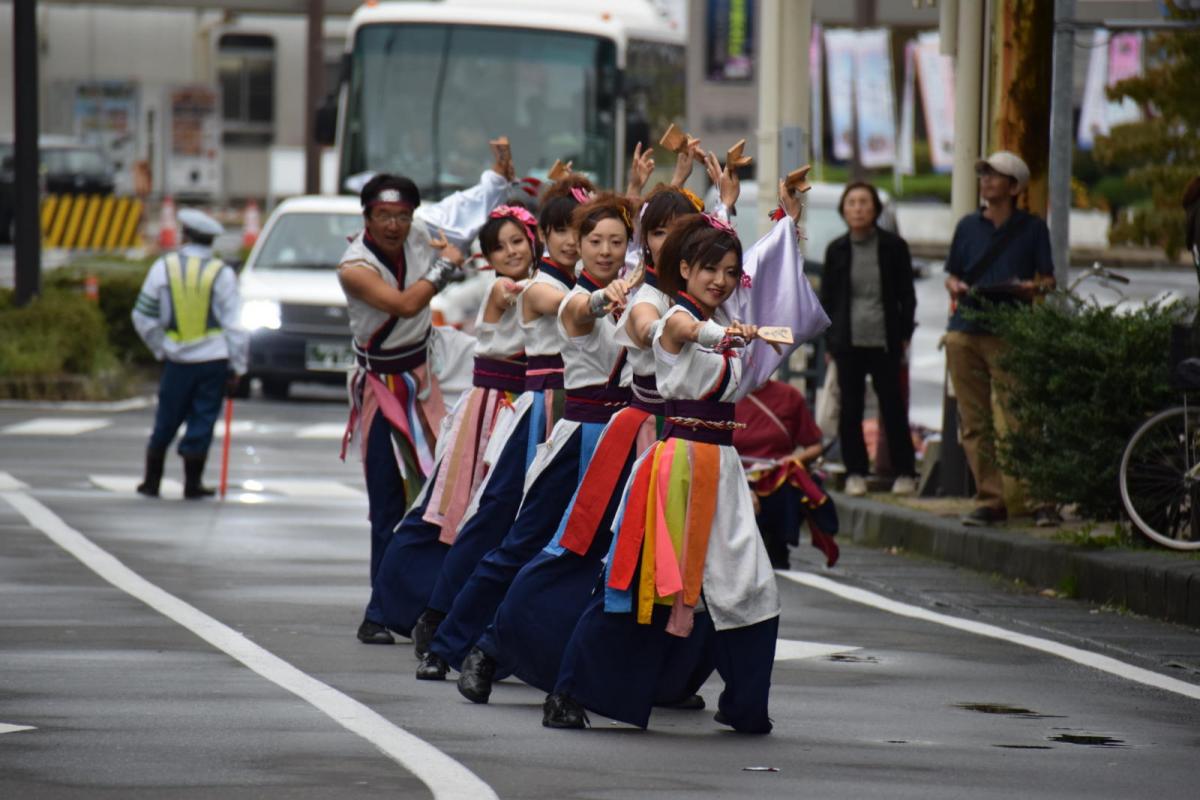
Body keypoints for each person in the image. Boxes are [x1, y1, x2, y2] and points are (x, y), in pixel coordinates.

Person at [546, 202, 829, 735]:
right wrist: (717, 336)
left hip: (721, 465)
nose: (721, 281)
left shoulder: (726, 313)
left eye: (728, 272)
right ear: (684, 270)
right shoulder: (662, 310)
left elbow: (773, 291)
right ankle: (569, 689)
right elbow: (671, 331)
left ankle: (745, 707)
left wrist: (788, 227)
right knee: (637, 581)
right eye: (709, 271)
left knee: (748, 584)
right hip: (676, 465)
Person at [418, 192, 639, 683]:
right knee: (509, 530)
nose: (603, 249)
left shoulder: (636, 290)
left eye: (616, 241)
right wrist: (611, 296)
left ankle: (569, 665)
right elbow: (581, 310)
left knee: (603, 552)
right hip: (553, 415)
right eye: (586, 238)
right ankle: (449, 637)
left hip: (624, 433)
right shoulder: (544, 288)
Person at [339, 151, 511, 646]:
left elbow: (465, 208)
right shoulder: (354, 266)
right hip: (382, 389)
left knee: (443, 491)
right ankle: (379, 608)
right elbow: (406, 303)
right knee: (386, 500)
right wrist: (446, 266)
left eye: (402, 216)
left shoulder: (423, 231)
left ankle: (427, 602)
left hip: (430, 372)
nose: (394, 225)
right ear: (366, 217)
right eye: (383, 216)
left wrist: (496, 180)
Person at [364, 204, 538, 641]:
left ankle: (453, 612)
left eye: (518, 241)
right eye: (500, 247)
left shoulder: (545, 283)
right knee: (444, 511)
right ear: (490, 260)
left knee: (478, 517)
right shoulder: (509, 288)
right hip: (491, 412)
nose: (511, 252)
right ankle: (387, 609)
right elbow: (538, 297)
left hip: (524, 411)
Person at [943, 151, 1056, 527]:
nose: (986, 181)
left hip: (1011, 330)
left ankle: (1038, 500)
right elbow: (951, 274)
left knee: (1019, 415)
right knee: (974, 422)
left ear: (1014, 187)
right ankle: (990, 499)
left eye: (995, 176)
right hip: (964, 330)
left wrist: (1030, 288)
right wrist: (955, 285)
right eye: (984, 175)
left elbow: (1048, 279)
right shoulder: (967, 226)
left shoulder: (1033, 228)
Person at [132, 208, 248, 500]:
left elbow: (143, 315)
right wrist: (238, 367)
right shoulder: (221, 273)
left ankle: (152, 481)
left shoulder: (164, 268)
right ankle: (192, 483)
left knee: (166, 418)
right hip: (214, 360)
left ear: (185, 235)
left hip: (177, 360)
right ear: (211, 241)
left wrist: (160, 346)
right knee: (203, 418)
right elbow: (235, 325)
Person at [819, 181, 917, 498]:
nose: (858, 208)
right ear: (843, 210)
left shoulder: (893, 246)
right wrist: (831, 342)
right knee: (851, 408)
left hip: (885, 338)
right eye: (852, 203)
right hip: (847, 341)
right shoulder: (837, 249)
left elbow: (907, 296)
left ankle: (905, 472)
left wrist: (904, 335)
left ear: (875, 208)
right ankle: (856, 472)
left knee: (892, 406)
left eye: (864, 202)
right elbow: (828, 300)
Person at [734, 379, 838, 570]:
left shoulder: (789, 396)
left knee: (787, 483)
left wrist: (792, 459)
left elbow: (814, 445)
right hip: (733, 473)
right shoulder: (725, 392)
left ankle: (777, 545)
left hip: (776, 477)